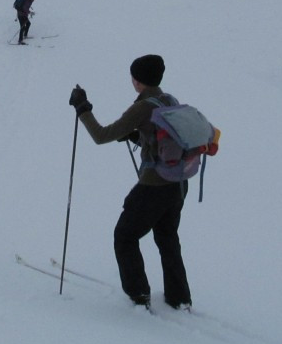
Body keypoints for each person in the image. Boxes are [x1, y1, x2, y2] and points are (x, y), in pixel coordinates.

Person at [68, 54, 192, 311]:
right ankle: (179, 298)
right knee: (167, 237)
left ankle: (139, 296)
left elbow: (101, 135)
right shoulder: (170, 100)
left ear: (138, 81)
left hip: (154, 186)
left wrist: (82, 109)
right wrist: (137, 136)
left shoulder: (142, 107)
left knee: (124, 236)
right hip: (178, 183)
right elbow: (164, 139)